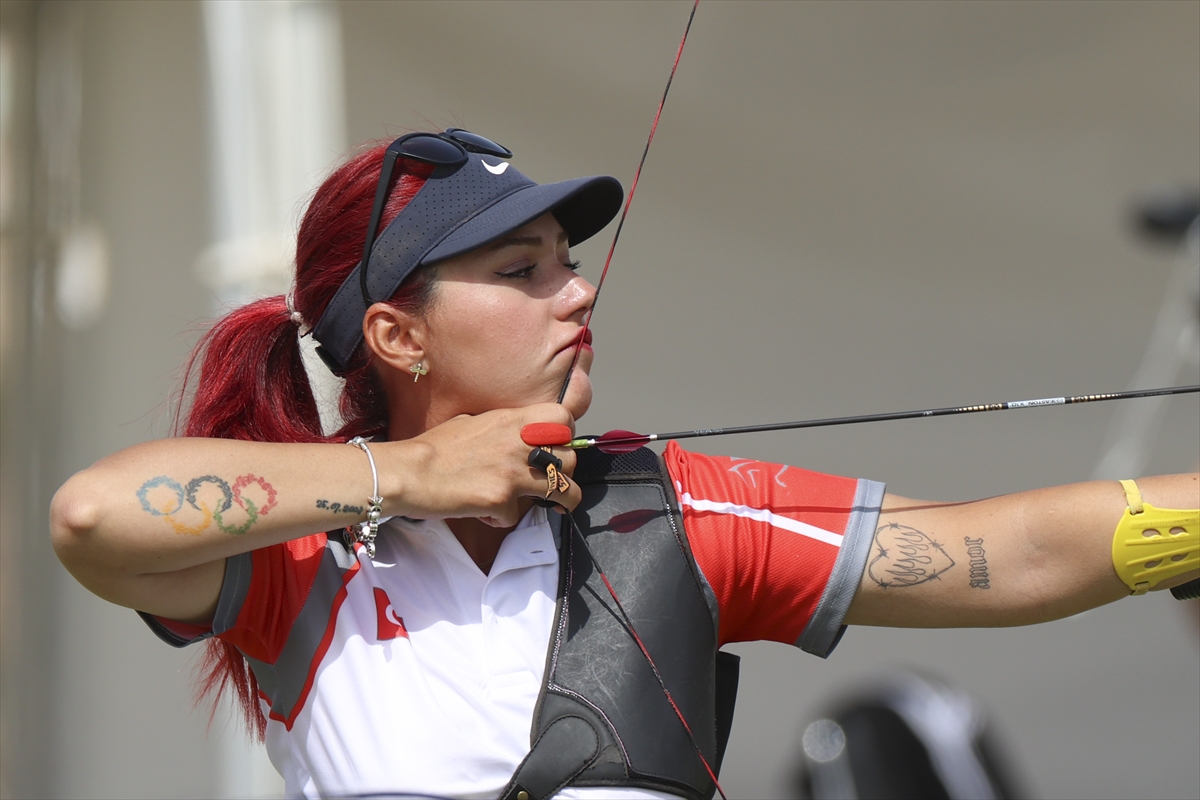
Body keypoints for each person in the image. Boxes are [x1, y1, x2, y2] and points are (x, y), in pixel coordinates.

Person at [49, 129, 1199, 800]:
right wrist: (411, 475)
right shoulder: (305, 550)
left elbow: (1009, 551)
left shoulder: (669, 512)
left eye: (568, 259)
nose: (579, 290)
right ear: (398, 334)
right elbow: (95, 517)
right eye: (524, 269)